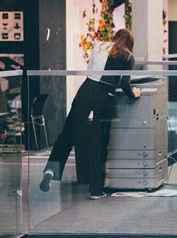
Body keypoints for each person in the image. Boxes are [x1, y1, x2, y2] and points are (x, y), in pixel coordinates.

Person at [40, 28, 141, 199]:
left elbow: (89, 71)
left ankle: (51, 169)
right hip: (105, 96)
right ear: (130, 43)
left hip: (86, 90)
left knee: (69, 132)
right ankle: (96, 190)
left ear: (115, 37)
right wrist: (134, 94)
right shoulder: (129, 56)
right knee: (100, 142)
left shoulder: (99, 45)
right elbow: (125, 84)